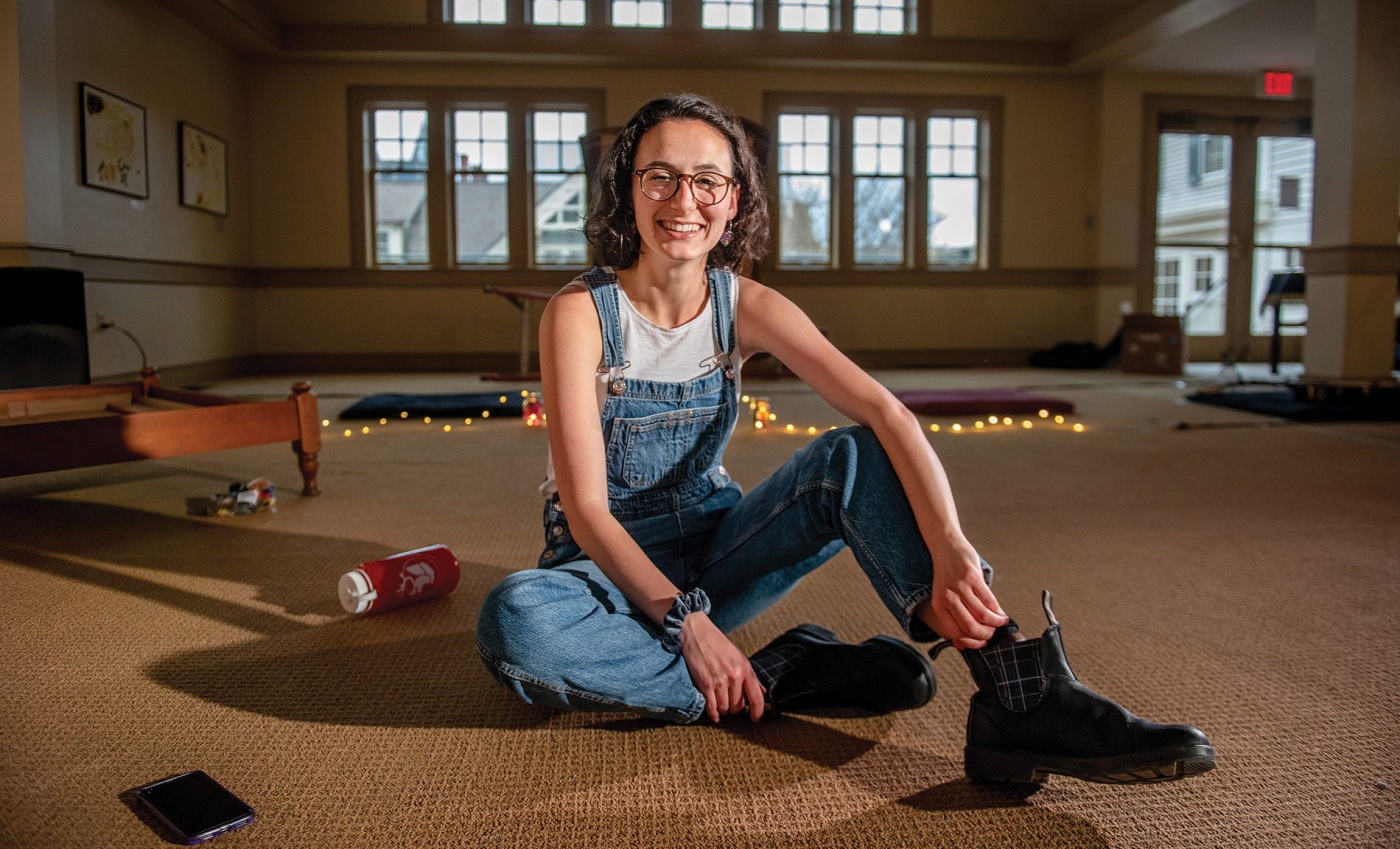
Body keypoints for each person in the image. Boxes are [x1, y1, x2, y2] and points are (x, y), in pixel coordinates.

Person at [477, 93, 1216, 786]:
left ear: (734, 201)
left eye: (707, 180)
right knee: (515, 621)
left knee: (851, 455)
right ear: (630, 190)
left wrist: (951, 543)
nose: (683, 201)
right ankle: (777, 671)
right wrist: (688, 624)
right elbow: (589, 514)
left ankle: (1018, 692)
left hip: (713, 548)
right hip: (602, 573)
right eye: (661, 176)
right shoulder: (580, 312)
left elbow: (889, 415)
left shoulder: (748, 305)